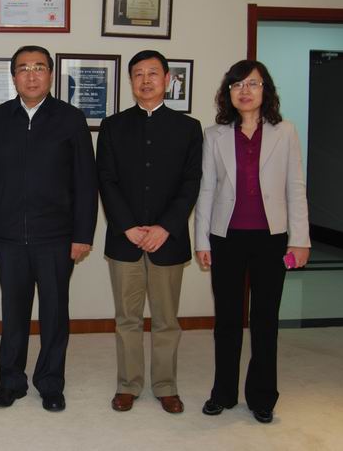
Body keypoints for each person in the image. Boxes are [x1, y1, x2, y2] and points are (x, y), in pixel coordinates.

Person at [0, 45, 97, 412]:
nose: (31, 75)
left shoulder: (71, 119)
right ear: (13, 77)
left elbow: (86, 182)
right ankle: (10, 381)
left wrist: (83, 235)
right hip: (9, 236)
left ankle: (51, 383)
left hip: (57, 237)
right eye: (23, 68)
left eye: (39, 67)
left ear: (51, 74)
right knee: (14, 313)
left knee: (55, 313)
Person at [195, 60, 310, 424]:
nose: (244, 91)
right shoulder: (214, 135)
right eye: (237, 85)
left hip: (271, 239)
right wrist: (202, 241)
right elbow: (207, 189)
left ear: (265, 90)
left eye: (253, 84)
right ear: (228, 92)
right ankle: (223, 393)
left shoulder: (285, 132)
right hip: (225, 237)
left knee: (265, 320)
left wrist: (300, 240)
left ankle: (262, 396)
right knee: (227, 320)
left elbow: (295, 187)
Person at [96, 49, 202, 415]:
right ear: (130, 81)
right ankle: (128, 385)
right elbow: (106, 179)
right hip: (124, 239)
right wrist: (127, 226)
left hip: (167, 241)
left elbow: (191, 183)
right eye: (138, 74)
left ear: (167, 79)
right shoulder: (112, 126)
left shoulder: (188, 128)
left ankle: (166, 386)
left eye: (153, 73)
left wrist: (165, 227)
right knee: (127, 318)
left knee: (166, 319)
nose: (145, 80)